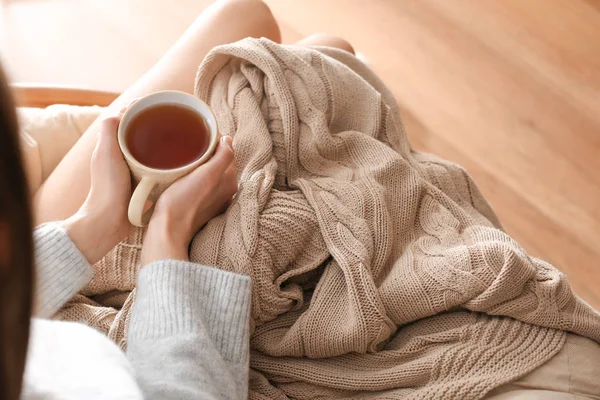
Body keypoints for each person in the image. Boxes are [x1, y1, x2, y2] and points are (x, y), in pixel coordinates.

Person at [0, 0, 355, 398]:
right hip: (146, 335)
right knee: (326, 53)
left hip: (36, 278)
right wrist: (169, 229)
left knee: (246, 17)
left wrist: (94, 223)